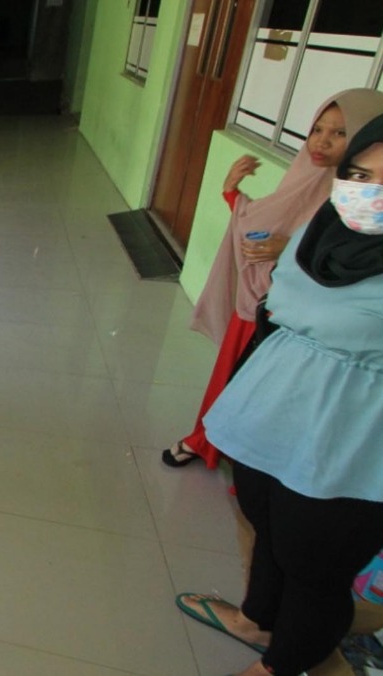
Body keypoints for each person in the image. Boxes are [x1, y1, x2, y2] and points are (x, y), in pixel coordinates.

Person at [176, 114, 383, 676]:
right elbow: (275, 310)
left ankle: (283, 665)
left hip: (349, 439)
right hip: (276, 410)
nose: (367, 193)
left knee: (316, 566)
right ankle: (256, 618)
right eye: (359, 173)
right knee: (267, 525)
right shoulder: (324, 229)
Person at [162, 89, 383, 469]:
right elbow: (266, 227)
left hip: (322, 345)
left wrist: (294, 251)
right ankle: (211, 444)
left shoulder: (354, 200)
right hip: (265, 309)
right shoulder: (312, 180)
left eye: (340, 133)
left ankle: (245, 461)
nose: (322, 141)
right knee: (239, 384)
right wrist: (234, 196)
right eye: (317, 129)